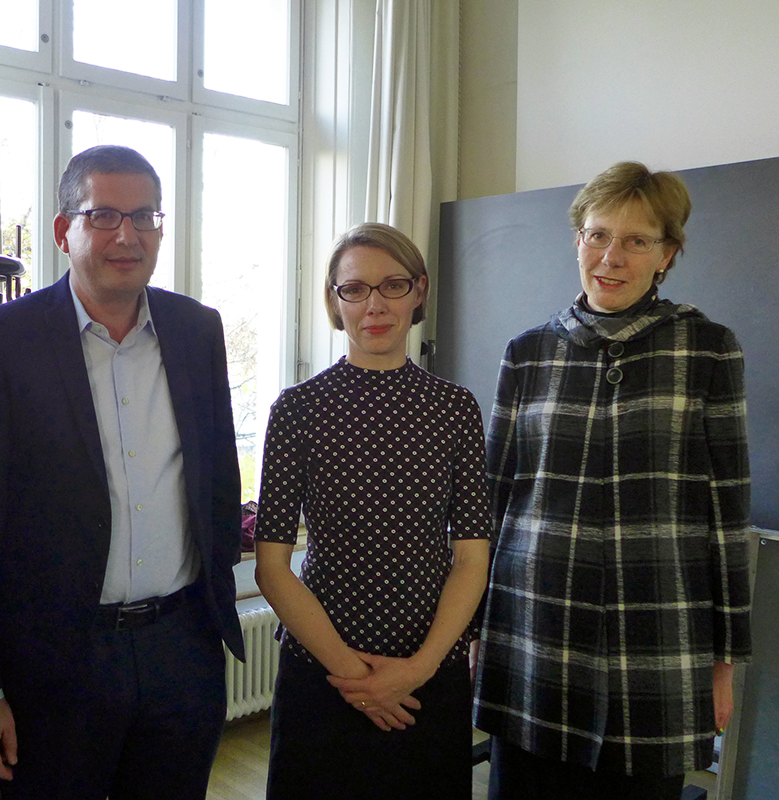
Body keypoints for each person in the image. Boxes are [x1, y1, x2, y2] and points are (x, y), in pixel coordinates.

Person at [0, 144, 245, 800]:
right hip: (60, 660)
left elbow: (217, 481)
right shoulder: (4, 340)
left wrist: (209, 620)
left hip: (181, 648)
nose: (128, 235)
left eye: (145, 216)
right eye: (106, 215)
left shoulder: (197, 330)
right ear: (65, 231)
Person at [473, 161, 752, 800]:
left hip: (655, 641)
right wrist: (476, 631)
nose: (611, 257)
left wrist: (724, 661)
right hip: (532, 632)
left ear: (668, 255)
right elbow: (492, 503)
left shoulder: (707, 349)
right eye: (597, 235)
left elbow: (727, 513)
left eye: (637, 241)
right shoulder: (527, 353)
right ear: (576, 240)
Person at [254, 222, 491, 799]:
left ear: (419, 292)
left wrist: (417, 669)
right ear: (335, 303)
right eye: (355, 289)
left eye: (393, 285)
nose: (375, 305)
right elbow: (272, 567)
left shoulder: (455, 409)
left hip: (429, 672)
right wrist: (357, 679)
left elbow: (471, 556)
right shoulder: (298, 409)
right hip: (323, 672)